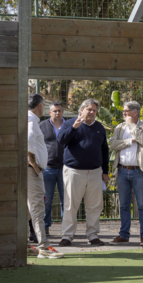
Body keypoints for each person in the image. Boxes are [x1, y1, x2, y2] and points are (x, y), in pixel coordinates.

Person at [57, 98, 109, 246]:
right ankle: (67, 236)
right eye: (89, 109)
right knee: (70, 205)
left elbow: (105, 150)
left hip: (95, 173)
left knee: (94, 206)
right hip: (74, 172)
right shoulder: (69, 123)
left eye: (94, 110)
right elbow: (61, 140)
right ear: (81, 110)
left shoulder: (99, 127)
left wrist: (105, 171)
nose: (92, 112)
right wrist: (73, 127)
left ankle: (92, 235)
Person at [109, 101, 143, 246]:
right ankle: (124, 234)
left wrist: (133, 126)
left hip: (139, 171)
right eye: (123, 111)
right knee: (124, 205)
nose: (124, 114)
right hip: (122, 171)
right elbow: (113, 144)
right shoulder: (120, 127)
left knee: (142, 205)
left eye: (126, 111)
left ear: (135, 112)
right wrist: (129, 141)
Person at [27, 93, 64, 259]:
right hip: (31, 170)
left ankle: (25, 246)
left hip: (30, 169)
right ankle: (43, 246)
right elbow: (28, 141)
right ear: (40, 105)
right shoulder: (32, 119)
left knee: (27, 210)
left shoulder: (27, 118)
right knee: (37, 208)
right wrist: (34, 164)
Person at [39, 101, 66, 235]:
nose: (57, 113)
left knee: (66, 200)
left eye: (59, 110)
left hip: (66, 168)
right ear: (49, 112)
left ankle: (66, 228)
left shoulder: (69, 125)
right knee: (47, 200)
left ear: (62, 112)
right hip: (48, 168)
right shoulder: (42, 126)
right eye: (54, 111)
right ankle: (45, 227)